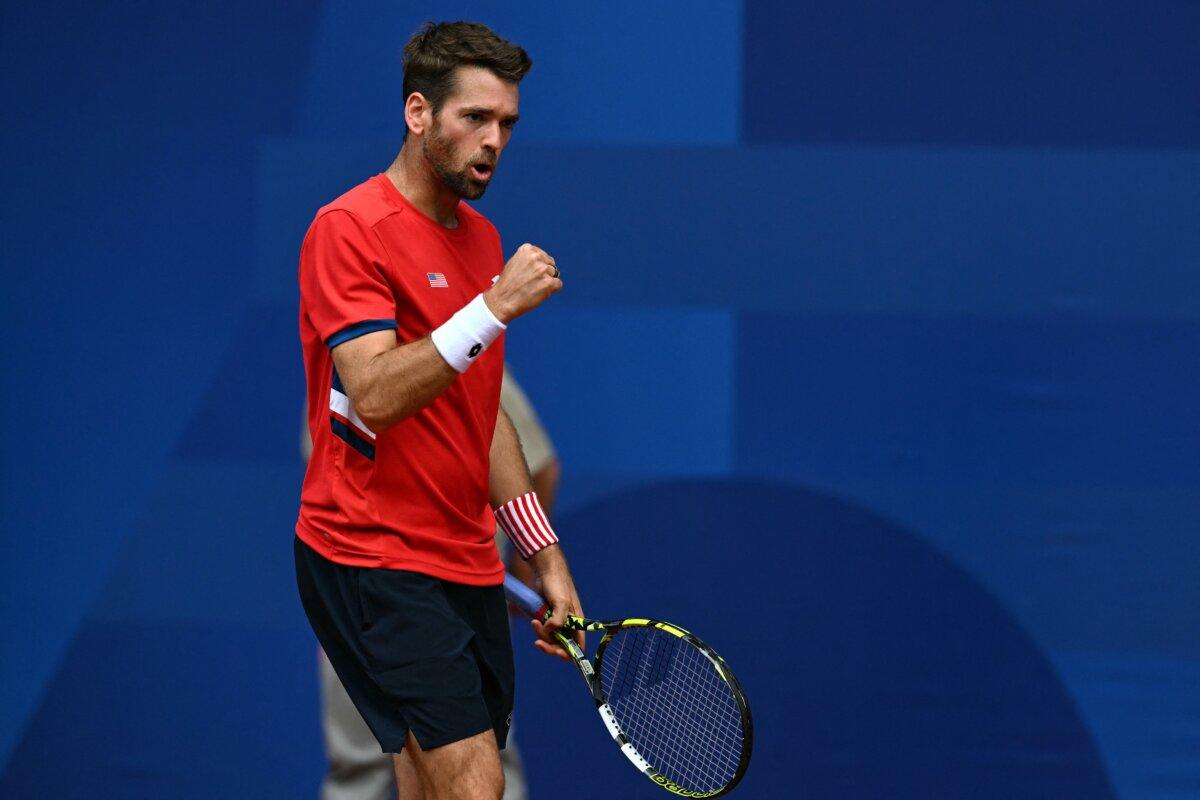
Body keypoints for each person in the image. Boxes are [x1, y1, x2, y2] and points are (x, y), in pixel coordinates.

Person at [294, 21, 583, 800]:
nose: (494, 141)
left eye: (507, 123)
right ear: (418, 113)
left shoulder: (482, 240)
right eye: (475, 118)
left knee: (428, 787)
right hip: (371, 558)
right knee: (475, 785)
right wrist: (492, 308)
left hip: (465, 562)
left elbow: (480, 418)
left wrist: (545, 558)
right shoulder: (348, 230)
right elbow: (376, 394)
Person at [305, 365, 561, 800]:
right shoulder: (332, 362)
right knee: (361, 772)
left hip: (457, 604)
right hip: (358, 598)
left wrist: (529, 567)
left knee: (481, 768)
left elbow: (537, 466)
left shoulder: (460, 351)